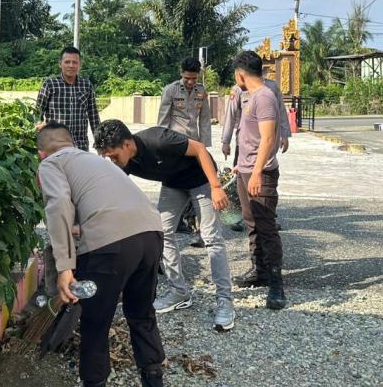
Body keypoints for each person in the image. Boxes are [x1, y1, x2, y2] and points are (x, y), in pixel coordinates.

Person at [37, 122, 166, 387]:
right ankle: (154, 379)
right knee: (141, 314)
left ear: (41, 153)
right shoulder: (98, 162)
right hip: (152, 235)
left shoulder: (51, 164)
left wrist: (64, 267)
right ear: (72, 144)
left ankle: (94, 382)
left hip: (111, 246)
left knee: (96, 322)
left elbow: (58, 204)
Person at [94, 119, 235, 332]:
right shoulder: (125, 162)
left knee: (211, 237)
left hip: (201, 179)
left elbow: (199, 149)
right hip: (174, 183)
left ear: (126, 144)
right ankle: (179, 291)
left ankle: (225, 301)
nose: (113, 161)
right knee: (162, 232)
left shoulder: (159, 140)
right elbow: (109, 189)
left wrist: (216, 186)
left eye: (113, 155)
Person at [230, 50, 287, 310]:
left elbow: (266, 138)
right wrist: (239, 166)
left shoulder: (264, 97)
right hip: (245, 169)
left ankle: (276, 284)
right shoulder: (251, 96)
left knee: (266, 225)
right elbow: (247, 136)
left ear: (240, 74)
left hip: (259, 173)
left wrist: (255, 172)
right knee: (251, 221)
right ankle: (259, 270)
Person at [222, 78, 291, 232]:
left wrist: (284, 134)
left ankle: (267, 217)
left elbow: (281, 110)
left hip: (266, 143)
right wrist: (225, 141)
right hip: (245, 144)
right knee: (240, 183)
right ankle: (239, 215)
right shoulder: (238, 89)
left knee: (266, 182)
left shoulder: (271, 87)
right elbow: (231, 115)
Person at [157, 57, 212, 248]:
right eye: (187, 78)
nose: (190, 82)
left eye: (194, 79)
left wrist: (204, 148)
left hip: (194, 145)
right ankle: (173, 220)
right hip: (174, 144)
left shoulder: (202, 92)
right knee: (172, 184)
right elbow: (163, 120)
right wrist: (161, 146)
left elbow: (205, 120)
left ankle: (196, 229)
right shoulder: (170, 90)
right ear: (181, 73)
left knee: (195, 184)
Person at [36, 46, 101, 151]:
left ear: (80, 65)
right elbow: (37, 111)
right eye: (67, 62)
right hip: (54, 144)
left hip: (80, 145)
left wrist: (100, 143)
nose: (71, 65)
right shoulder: (50, 84)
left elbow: (94, 117)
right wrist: (38, 129)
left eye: (75, 62)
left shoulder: (86, 85)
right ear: (60, 63)